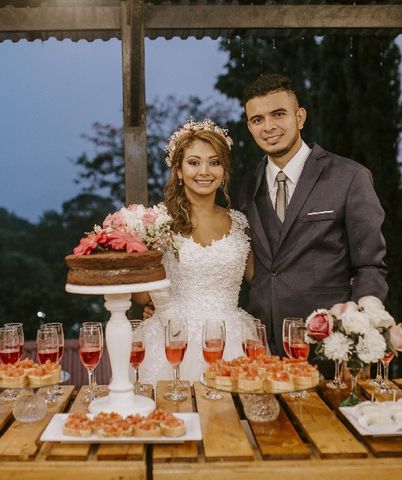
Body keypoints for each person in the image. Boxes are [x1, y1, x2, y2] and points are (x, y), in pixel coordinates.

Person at [235, 73, 388, 358]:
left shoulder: (349, 177)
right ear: (249, 126)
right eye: (257, 120)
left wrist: (363, 325)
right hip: (261, 349)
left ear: (300, 117)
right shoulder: (246, 187)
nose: (268, 127)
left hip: (328, 346)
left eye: (278, 114)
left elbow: (370, 266)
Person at [136, 119, 258, 385]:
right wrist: (154, 301)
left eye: (214, 162)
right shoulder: (159, 223)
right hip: (171, 336)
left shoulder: (241, 223)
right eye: (194, 162)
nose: (205, 171)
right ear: (178, 170)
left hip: (232, 339)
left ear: (224, 170)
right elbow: (141, 295)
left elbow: (261, 280)